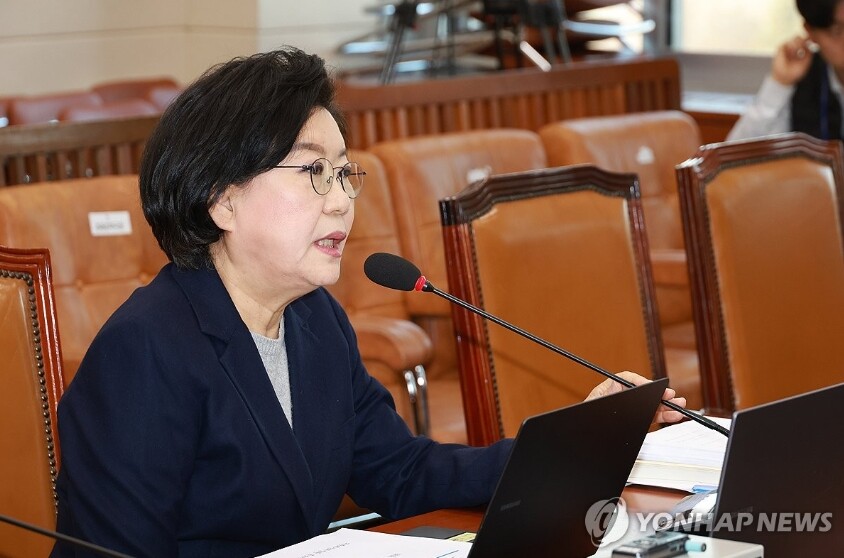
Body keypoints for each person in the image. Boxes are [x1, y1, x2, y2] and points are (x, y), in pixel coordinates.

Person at [50, 46, 687, 558]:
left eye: (343, 173)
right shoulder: (147, 348)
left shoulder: (315, 320)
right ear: (222, 200)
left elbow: (401, 473)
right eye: (313, 172)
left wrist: (576, 442)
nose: (341, 201)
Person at [728, 0, 844, 141]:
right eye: (837, 31)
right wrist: (780, 84)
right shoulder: (806, 76)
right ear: (810, 31)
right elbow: (739, 149)